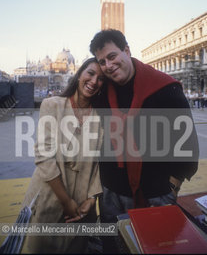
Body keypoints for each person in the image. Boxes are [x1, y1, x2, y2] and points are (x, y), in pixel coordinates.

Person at [90, 29, 199, 253]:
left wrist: (171, 187)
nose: (108, 66)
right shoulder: (102, 92)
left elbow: (188, 145)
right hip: (111, 192)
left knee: (158, 246)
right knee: (114, 245)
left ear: (127, 51)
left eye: (112, 57)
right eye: (102, 61)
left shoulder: (166, 88)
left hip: (155, 192)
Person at [22, 58, 105, 254]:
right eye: (90, 73)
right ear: (79, 75)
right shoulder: (52, 105)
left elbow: (101, 163)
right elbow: (43, 155)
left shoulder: (102, 117)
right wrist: (66, 201)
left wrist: (92, 199)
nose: (94, 81)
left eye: (101, 79)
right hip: (49, 196)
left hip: (83, 206)